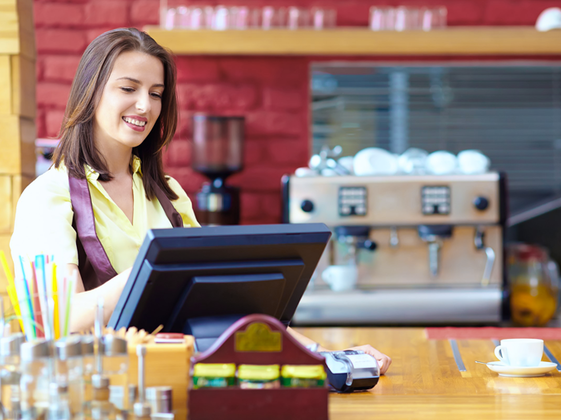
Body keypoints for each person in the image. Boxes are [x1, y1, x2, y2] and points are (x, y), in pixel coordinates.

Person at [10, 28, 391, 374]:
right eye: (128, 88)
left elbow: (223, 305)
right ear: (90, 92)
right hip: (101, 390)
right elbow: (58, 322)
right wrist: (148, 273)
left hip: (177, 381)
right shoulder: (48, 197)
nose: (145, 106)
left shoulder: (168, 192)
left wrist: (324, 355)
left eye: (156, 94)